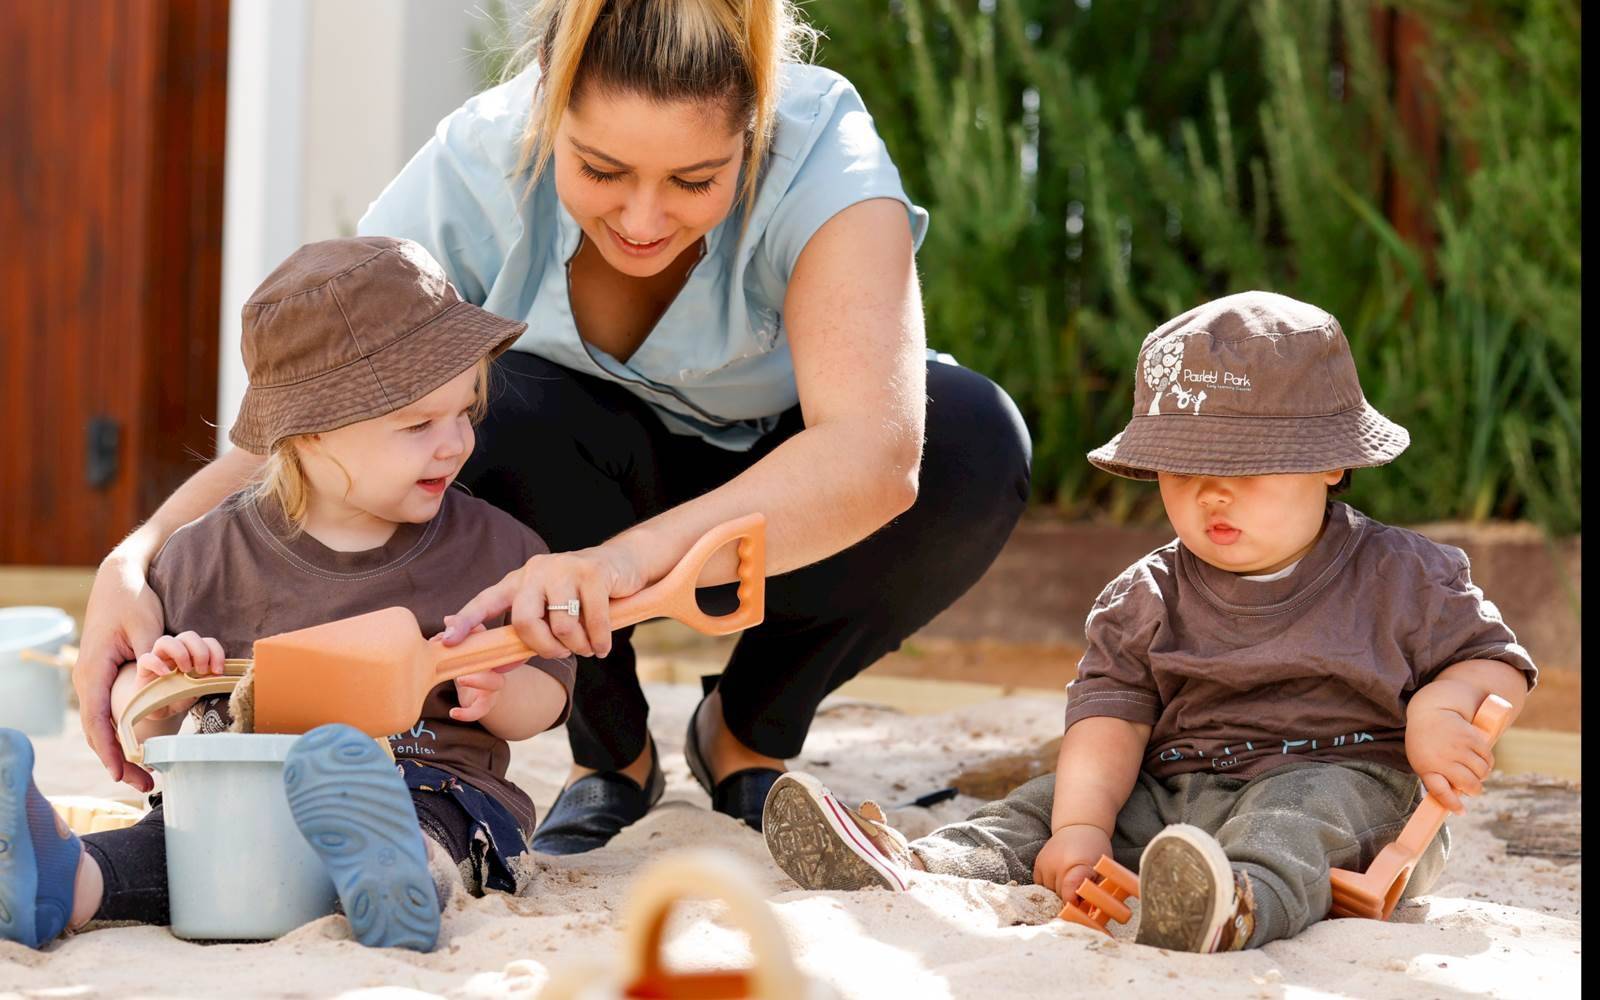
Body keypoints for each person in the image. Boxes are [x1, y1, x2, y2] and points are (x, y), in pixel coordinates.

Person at [73, 0, 1031, 855]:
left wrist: (618, 564)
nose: (644, 219)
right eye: (602, 169)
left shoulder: (825, 151)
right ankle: (610, 757)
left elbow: (872, 454)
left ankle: (749, 728)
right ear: (546, 105)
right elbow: (316, 413)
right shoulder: (476, 162)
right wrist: (138, 553)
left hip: (782, 492)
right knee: (488, 409)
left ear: (756, 131)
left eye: (695, 180)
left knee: (972, 442)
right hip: (576, 477)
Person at [761, 291, 1537, 952]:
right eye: (1183, 467)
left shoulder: (1403, 575)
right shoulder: (1144, 597)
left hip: (1345, 780)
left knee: (1298, 816)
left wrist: (1442, 707)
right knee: (1047, 800)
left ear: (1331, 461)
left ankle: (1233, 905)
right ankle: (918, 861)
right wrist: (1080, 829)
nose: (1212, 494)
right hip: (1177, 789)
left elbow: (1496, 660)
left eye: (1245, 467)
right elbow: (1110, 723)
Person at [2, 237, 573, 951]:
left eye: (466, 411)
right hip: (240, 795)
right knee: (173, 846)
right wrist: (163, 687)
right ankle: (61, 880)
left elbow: (546, 701)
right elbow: (141, 731)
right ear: (306, 435)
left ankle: (402, 879)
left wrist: (497, 688)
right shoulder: (207, 555)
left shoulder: (496, 550)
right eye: (419, 425)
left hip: (427, 779)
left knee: (427, 821)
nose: (456, 444)